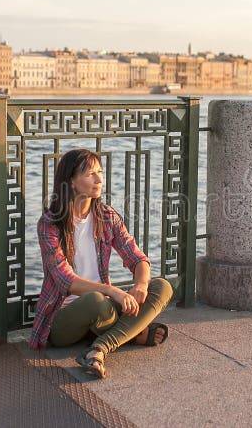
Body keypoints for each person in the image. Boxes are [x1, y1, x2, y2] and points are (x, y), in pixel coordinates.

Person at [28, 148, 173, 379]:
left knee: (162, 287)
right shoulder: (49, 224)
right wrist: (110, 291)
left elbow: (137, 258)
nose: (99, 180)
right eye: (90, 174)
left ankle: (100, 348)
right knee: (97, 302)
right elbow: (66, 280)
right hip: (64, 317)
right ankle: (134, 334)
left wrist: (141, 285)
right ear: (72, 182)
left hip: (105, 309)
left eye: (100, 172)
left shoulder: (106, 217)